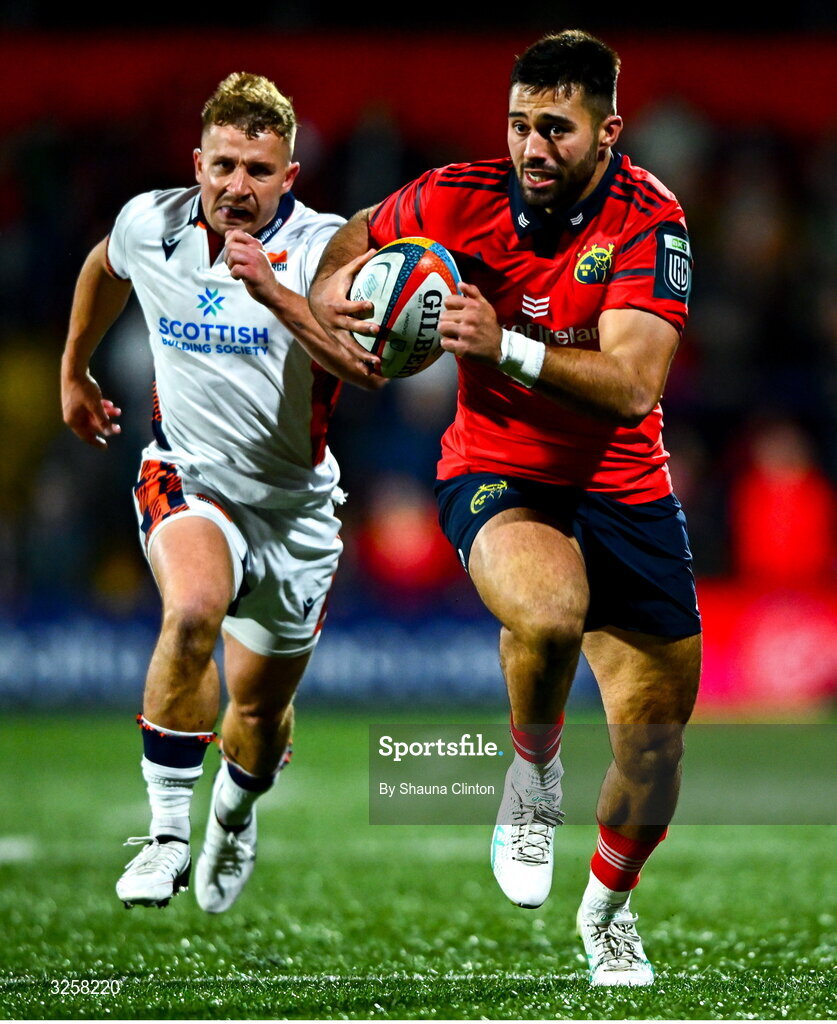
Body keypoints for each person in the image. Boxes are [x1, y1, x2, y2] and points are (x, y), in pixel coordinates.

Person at [309, 30, 701, 987]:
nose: (531, 146)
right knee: (550, 607)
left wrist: (504, 347)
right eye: (520, 123)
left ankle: (606, 910)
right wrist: (332, 292)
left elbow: (634, 386)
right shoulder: (456, 196)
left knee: (652, 750)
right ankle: (533, 774)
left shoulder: (651, 221)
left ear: (607, 131)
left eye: (556, 129)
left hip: (621, 481)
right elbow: (355, 234)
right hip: (496, 467)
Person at [60, 72, 380, 913]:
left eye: (259, 170)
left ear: (290, 177)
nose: (238, 186)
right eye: (225, 165)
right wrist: (74, 370)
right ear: (196, 162)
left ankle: (233, 817)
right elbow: (103, 265)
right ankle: (165, 837)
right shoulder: (152, 223)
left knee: (259, 715)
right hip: (188, 473)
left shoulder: (325, 249)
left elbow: (363, 369)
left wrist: (271, 291)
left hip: (296, 508)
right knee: (194, 610)